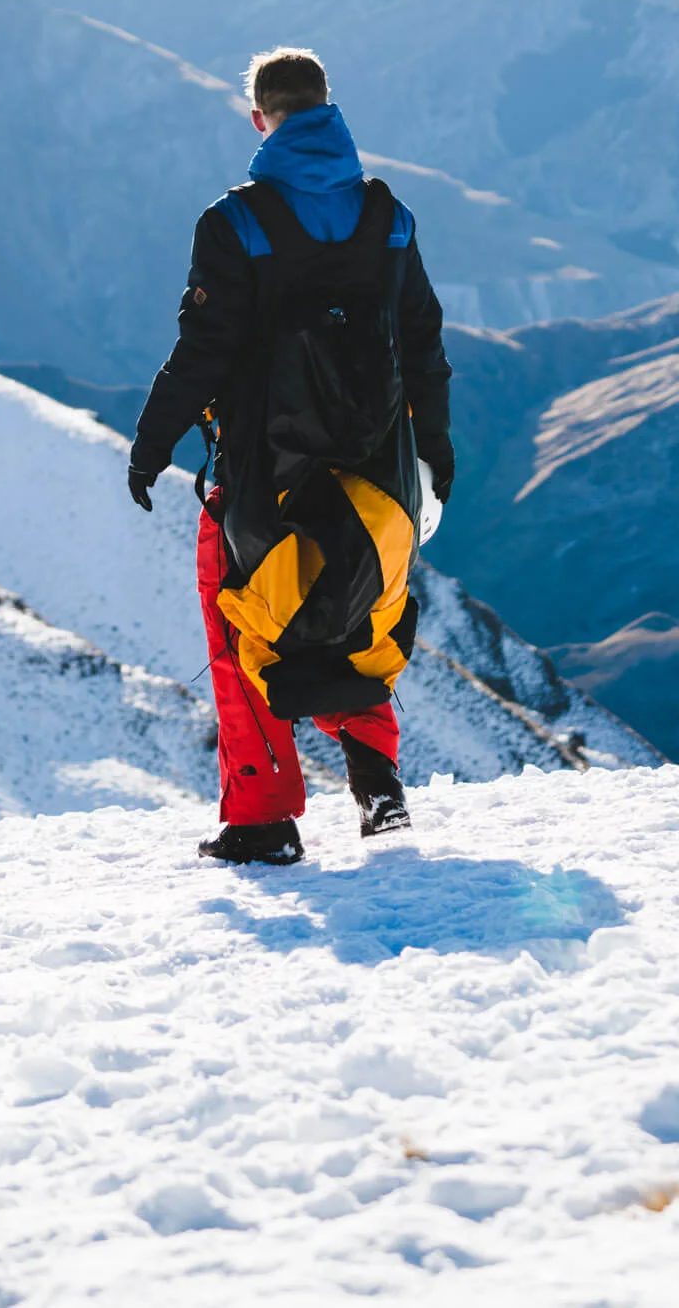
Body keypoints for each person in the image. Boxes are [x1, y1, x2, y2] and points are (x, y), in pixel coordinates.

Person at [127, 47, 455, 865]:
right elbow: (423, 344)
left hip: (261, 471)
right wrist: (435, 453)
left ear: (259, 118)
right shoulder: (389, 218)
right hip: (379, 465)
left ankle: (263, 820)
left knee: (245, 624)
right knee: (361, 613)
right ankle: (380, 791)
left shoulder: (235, 222)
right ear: (327, 107)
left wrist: (150, 443)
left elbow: (199, 353)